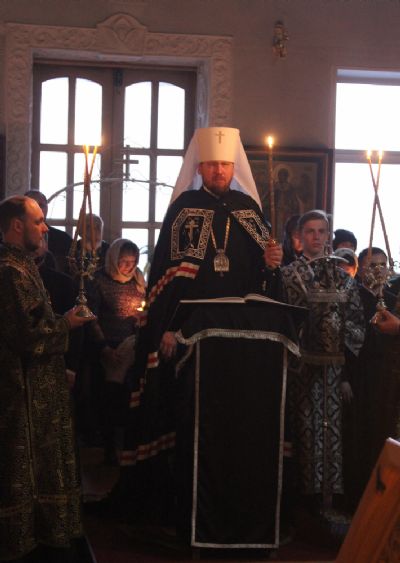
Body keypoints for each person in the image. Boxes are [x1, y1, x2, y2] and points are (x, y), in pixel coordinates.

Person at [115, 126, 285, 531]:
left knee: (233, 422)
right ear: (200, 167)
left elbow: (264, 281)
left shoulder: (249, 210)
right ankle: (183, 505)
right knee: (188, 420)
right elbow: (168, 279)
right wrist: (167, 329)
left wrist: (271, 264)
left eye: (225, 164)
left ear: (233, 167)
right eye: (212, 164)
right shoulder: (184, 209)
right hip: (190, 335)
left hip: (238, 337)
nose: (219, 171)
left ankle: (231, 506)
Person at [0, 195, 95, 562]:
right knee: (25, 465)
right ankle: (27, 538)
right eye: (38, 221)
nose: (45, 228)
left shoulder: (23, 266)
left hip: (40, 387)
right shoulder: (10, 271)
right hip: (21, 389)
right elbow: (27, 335)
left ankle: (48, 532)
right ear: (17, 225)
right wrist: (67, 323)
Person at [281, 210, 365, 517]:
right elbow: (284, 321)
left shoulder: (342, 277)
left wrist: (339, 346)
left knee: (333, 433)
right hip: (301, 369)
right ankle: (304, 502)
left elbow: (356, 322)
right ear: (300, 237)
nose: (316, 237)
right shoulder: (288, 275)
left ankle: (331, 500)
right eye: (310, 231)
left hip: (334, 372)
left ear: (328, 236)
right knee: (304, 431)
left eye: (321, 231)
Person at [82, 238, 146, 465]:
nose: (129, 267)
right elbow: (90, 317)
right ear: (113, 259)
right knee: (107, 399)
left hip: (131, 346)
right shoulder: (98, 281)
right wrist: (104, 348)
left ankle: (126, 446)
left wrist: (141, 319)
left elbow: (146, 307)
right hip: (106, 348)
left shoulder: (138, 280)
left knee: (128, 399)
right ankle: (109, 448)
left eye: (133, 262)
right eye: (124, 262)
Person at [24, 189, 72, 273]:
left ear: (47, 208)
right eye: (32, 205)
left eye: (41, 205)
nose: (38, 209)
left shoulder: (64, 239)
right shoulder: (14, 237)